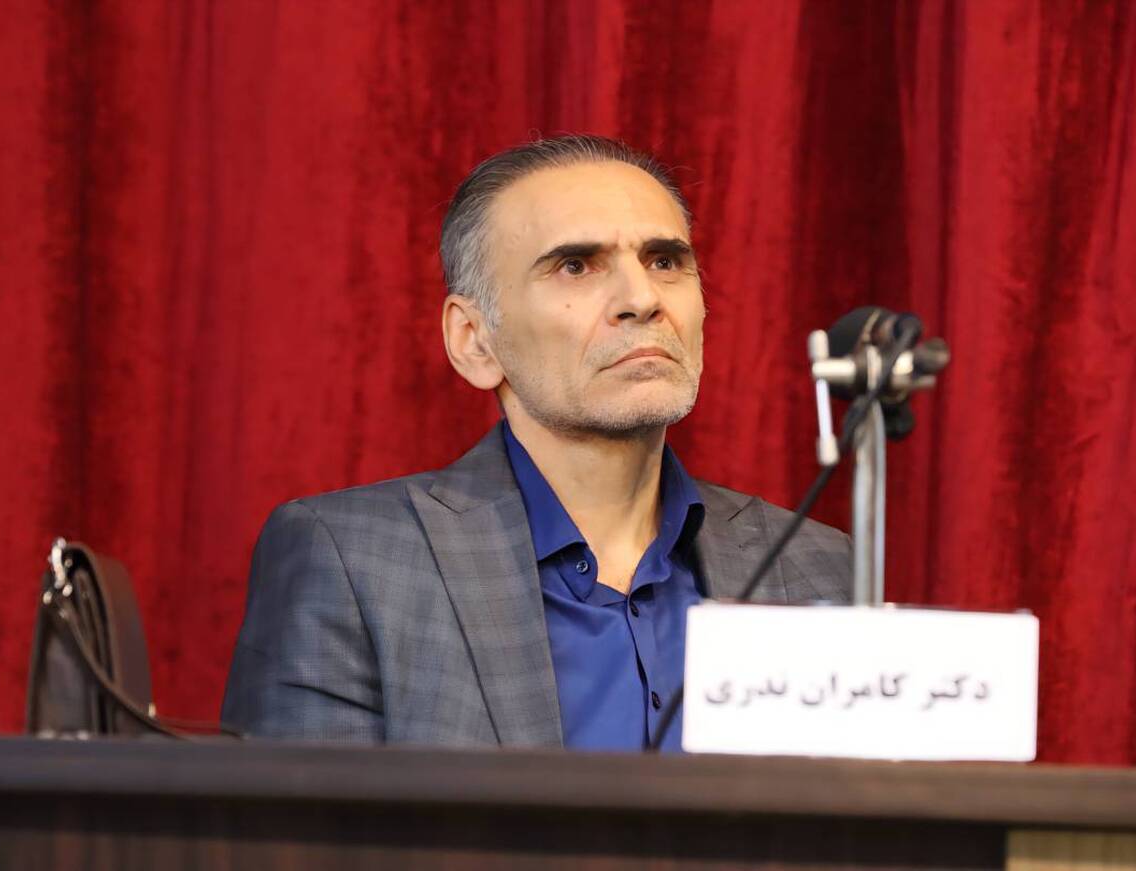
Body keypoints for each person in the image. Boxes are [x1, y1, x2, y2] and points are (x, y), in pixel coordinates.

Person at [221, 134, 850, 750]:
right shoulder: (354, 561)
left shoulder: (819, 566)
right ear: (474, 340)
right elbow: (308, 821)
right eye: (575, 266)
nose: (642, 299)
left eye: (664, 261)